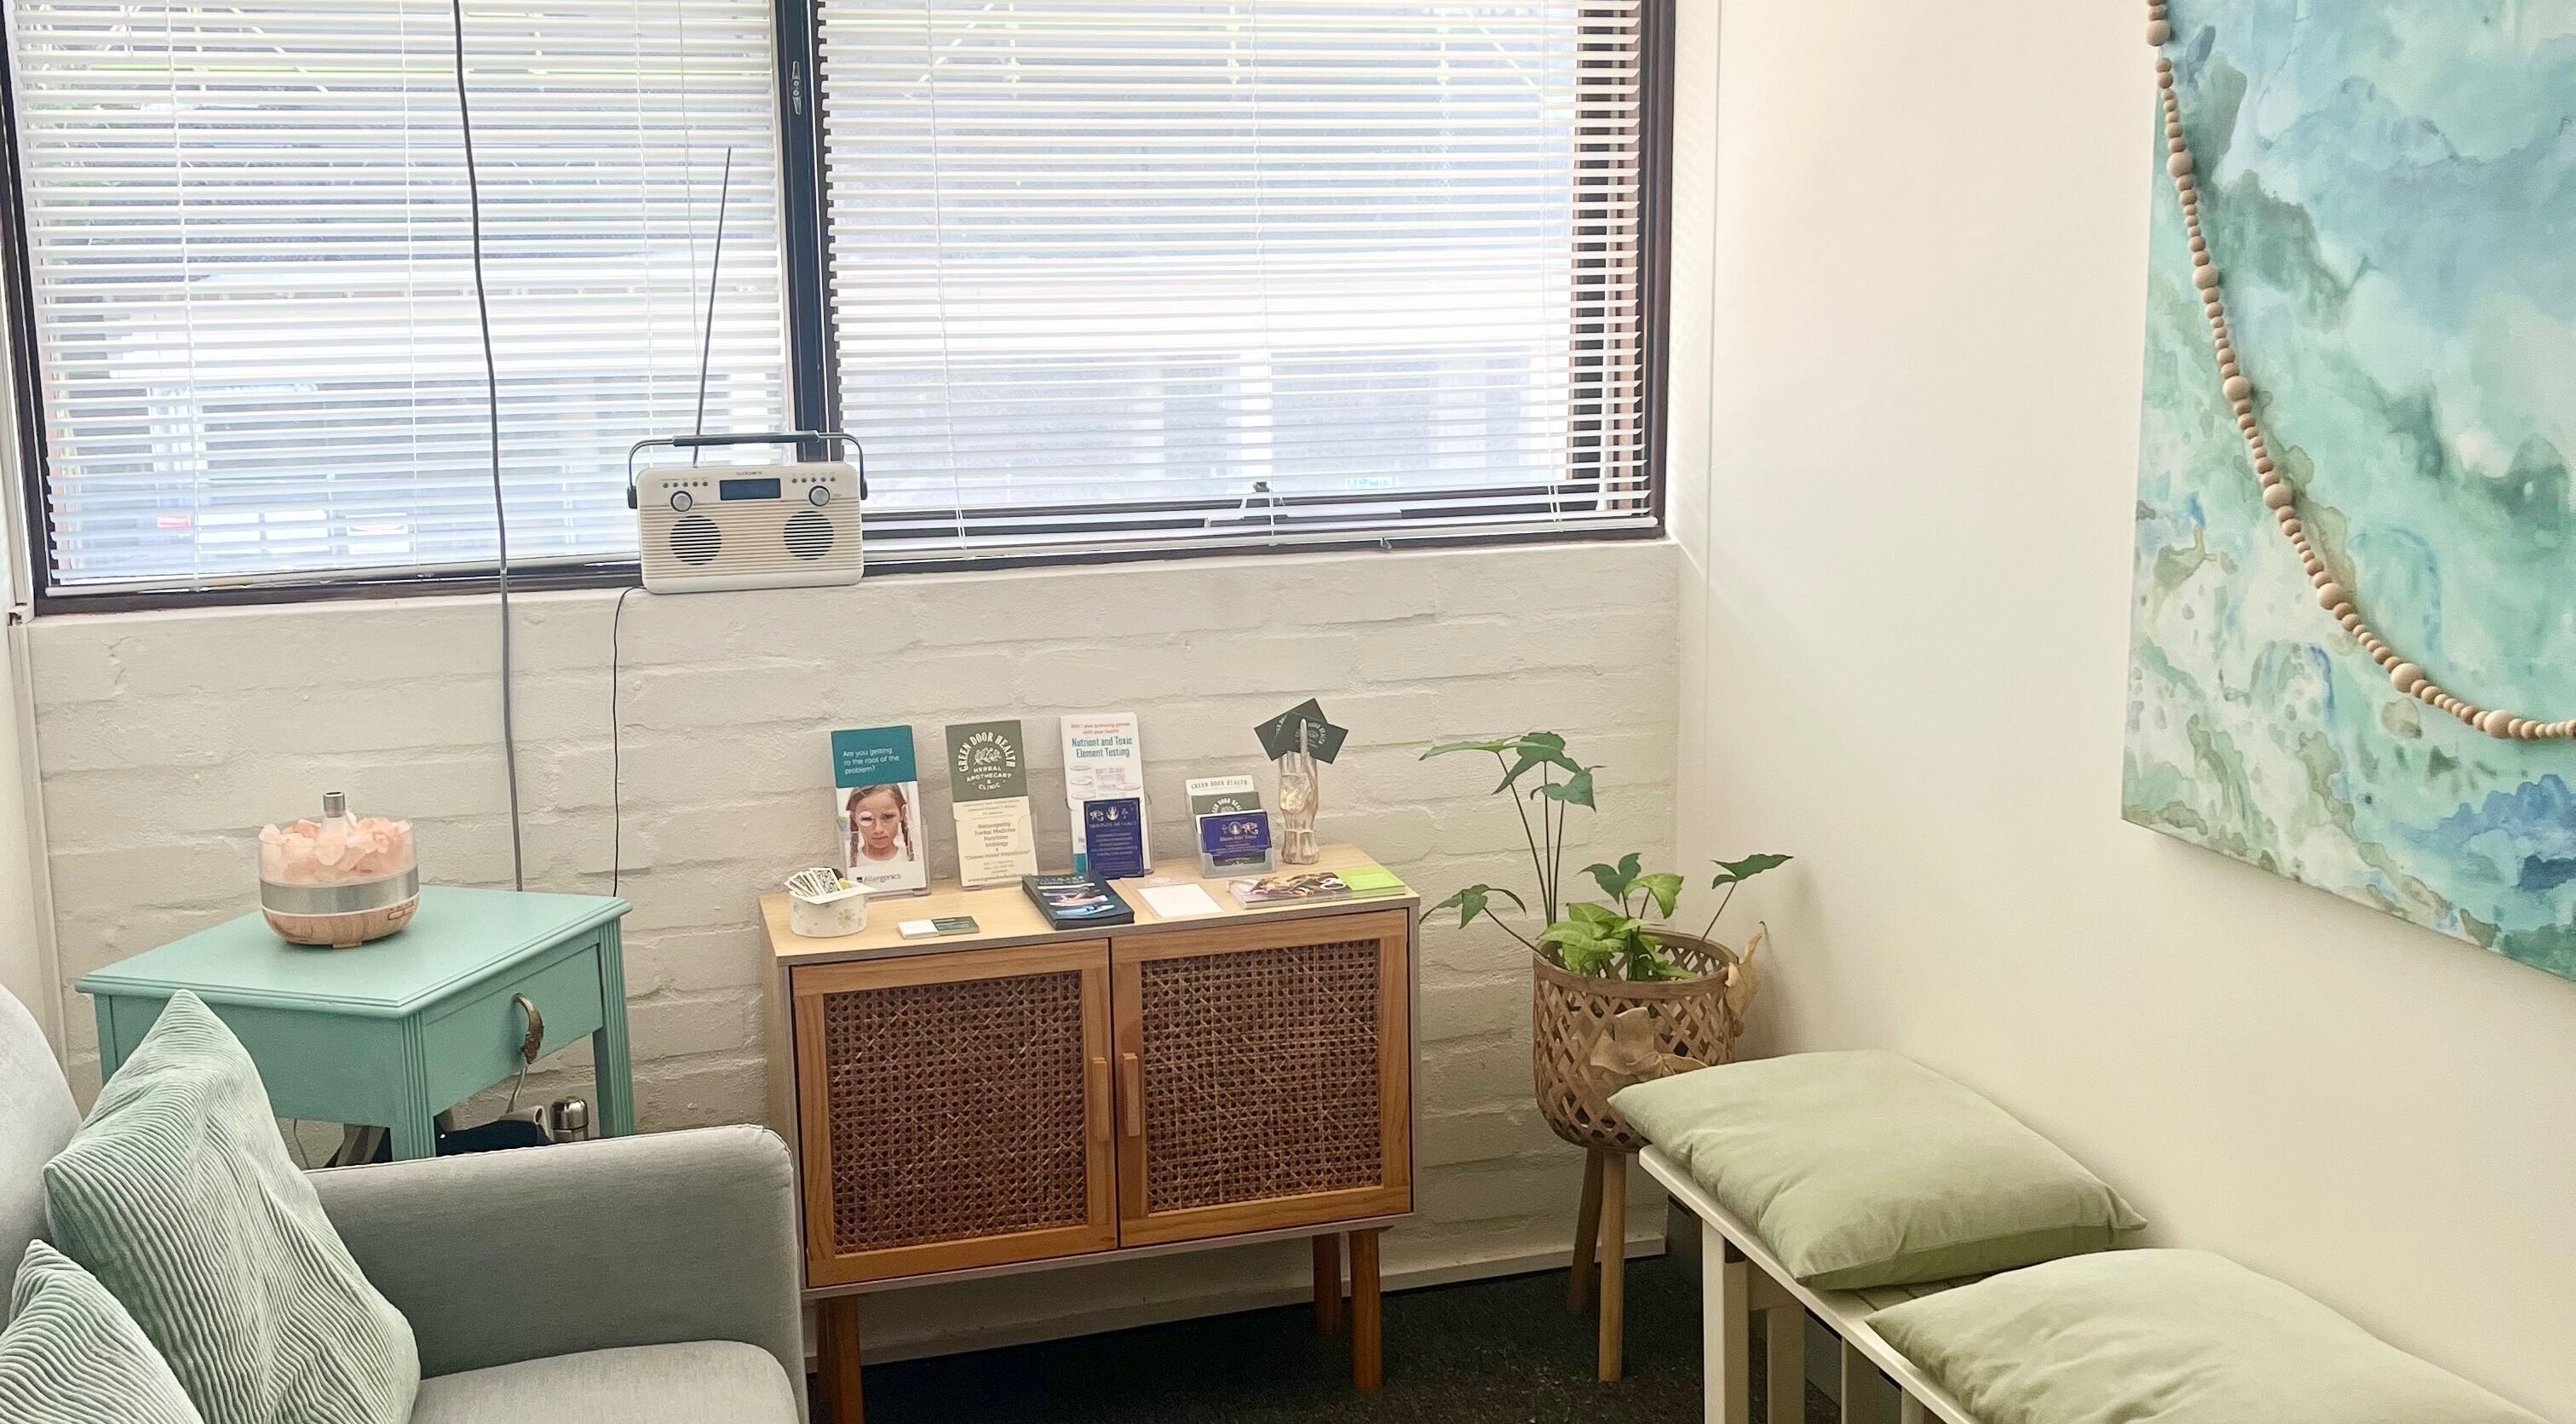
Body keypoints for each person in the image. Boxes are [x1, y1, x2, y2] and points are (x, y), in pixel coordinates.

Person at [845, 784, 916, 867]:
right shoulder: (848, 864)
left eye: (888, 817)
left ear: (902, 813)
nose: (878, 829)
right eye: (866, 819)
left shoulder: (913, 859)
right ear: (854, 818)